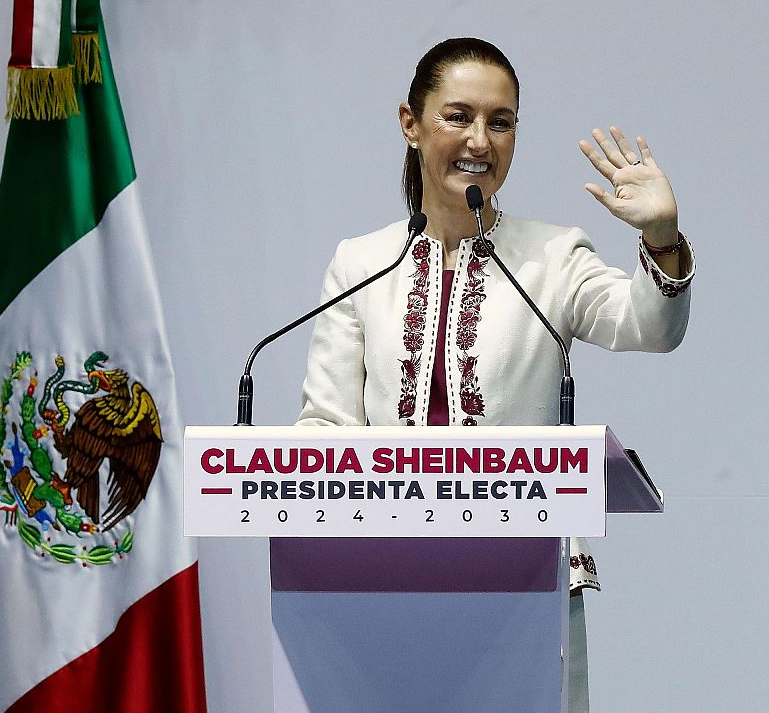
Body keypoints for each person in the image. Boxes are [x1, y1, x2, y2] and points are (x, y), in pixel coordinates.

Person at [297, 37, 694, 711]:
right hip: (385, 588)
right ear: (410, 123)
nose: (480, 140)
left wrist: (661, 238)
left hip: (527, 587)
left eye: (500, 122)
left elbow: (649, 326)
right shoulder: (360, 263)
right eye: (458, 116)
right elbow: (326, 429)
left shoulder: (552, 256)